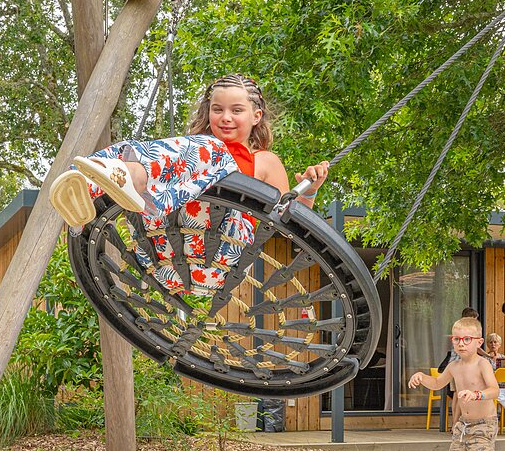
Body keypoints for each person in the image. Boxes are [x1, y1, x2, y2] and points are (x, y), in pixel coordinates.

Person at [50, 74, 330, 295]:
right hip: (162, 254)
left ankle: (129, 176)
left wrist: (310, 190)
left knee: (210, 150)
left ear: (256, 116)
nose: (226, 117)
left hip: (221, 252)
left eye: (237, 110)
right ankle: (90, 193)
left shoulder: (264, 161)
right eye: (217, 109)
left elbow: (289, 224)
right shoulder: (192, 154)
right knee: (181, 155)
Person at [409, 316, 501, 451]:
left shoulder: (483, 364)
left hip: (483, 424)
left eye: (467, 339)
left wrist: (477, 395)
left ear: (478, 342)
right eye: (457, 339)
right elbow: (437, 383)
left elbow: (494, 390)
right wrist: (422, 377)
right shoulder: (453, 366)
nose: (461, 343)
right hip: (464, 425)